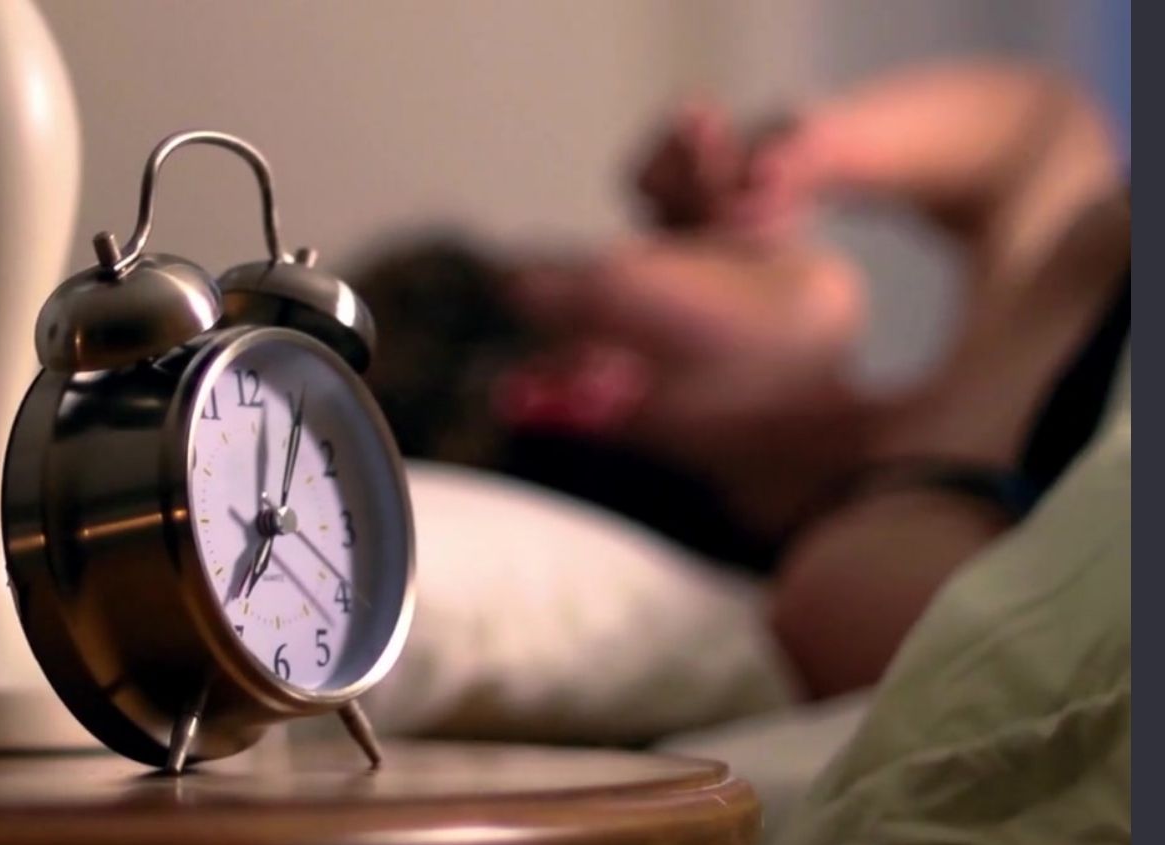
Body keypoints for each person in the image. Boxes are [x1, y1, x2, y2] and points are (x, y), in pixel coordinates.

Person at [351, 59, 1129, 709]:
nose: (679, 233)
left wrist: (812, 153)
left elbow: (1044, 136)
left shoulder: (985, 367)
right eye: (597, 265)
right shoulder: (856, 580)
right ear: (572, 388)